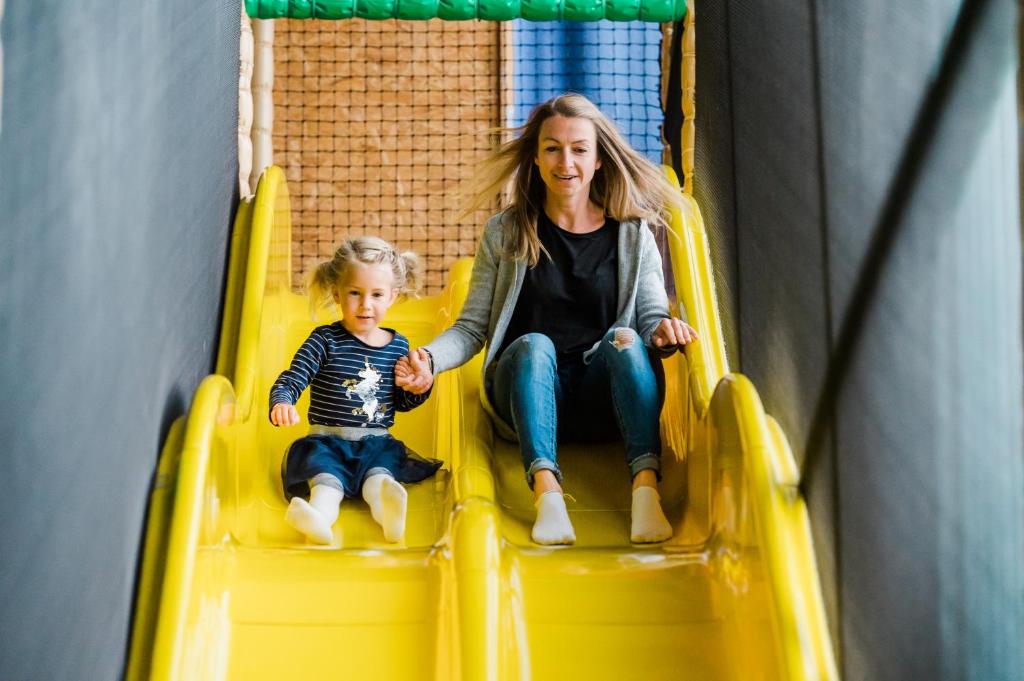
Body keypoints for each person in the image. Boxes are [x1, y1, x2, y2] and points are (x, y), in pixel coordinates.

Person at [397, 93, 697, 546]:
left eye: (579, 149)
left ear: (598, 160)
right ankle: (547, 494)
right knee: (535, 344)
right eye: (553, 148)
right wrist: (429, 359)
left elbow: (651, 316)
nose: (566, 162)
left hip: (602, 401)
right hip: (526, 394)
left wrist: (663, 331)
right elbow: (472, 328)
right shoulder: (506, 231)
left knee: (625, 338)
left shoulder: (633, 234)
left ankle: (645, 491)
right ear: (536, 158)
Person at [269, 236, 441, 545]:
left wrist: (417, 387)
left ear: (392, 296)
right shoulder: (324, 340)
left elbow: (401, 402)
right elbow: (293, 378)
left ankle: (388, 514)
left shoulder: (398, 346)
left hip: (376, 444)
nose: (366, 305)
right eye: (354, 293)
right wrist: (282, 401)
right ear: (337, 293)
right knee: (326, 485)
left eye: (377, 295)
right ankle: (318, 519)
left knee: (378, 479)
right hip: (327, 443)